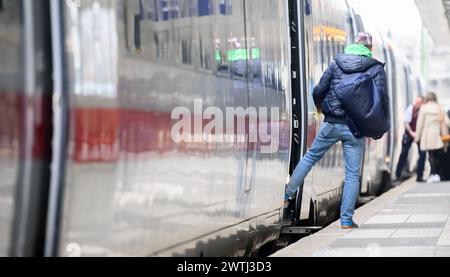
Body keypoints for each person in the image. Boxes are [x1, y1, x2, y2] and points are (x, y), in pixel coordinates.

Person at [284, 32, 388, 229]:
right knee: (351, 174)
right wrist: (377, 126)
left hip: (332, 123)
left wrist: (321, 107)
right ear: (369, 48)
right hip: (355, 128)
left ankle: (287, 194)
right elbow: (381, 99)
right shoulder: (375, 68)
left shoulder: (337, 63)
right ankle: (346, 221)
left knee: (310, 157)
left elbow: (318, 90)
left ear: (354, 45)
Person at [414, 93, 448, 183]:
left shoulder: (424, 108)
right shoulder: (439, 108)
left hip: (427, 135)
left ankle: (433, 174)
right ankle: (437, 175)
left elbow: (420, 124)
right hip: (438, 135)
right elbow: (447, 122)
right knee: (437, 156)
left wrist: (417, 137)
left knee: (431, 155)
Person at [395, 97, 427, 182]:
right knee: (404, 153)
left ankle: (419, 176)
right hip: (410, 134)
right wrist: (412, 133)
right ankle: (398, 175)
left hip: (419, 134)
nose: (417, 104)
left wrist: (418, 134)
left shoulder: (423, 111)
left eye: (419, 102)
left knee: (423, 154)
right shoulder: (410, 108)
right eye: (416, 102)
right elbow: (406, 122)